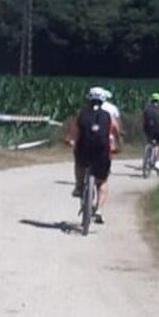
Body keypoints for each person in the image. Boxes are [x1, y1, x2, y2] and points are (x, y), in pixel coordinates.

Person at [65, 88, 117, 224]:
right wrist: (116, 144)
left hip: (84, 149)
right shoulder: (107, 114)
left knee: (79, 163)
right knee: (102, 182)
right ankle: (99, 209)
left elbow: (74, 129)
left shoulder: (82, 113)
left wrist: (70, 140)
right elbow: (115, 129)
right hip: (102, 151)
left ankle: (78, 186)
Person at [142, 93, 159, 173]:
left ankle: (147, 156)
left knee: (149, 142)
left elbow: (144, 120)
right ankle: (157, 162)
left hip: (148, 129)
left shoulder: (146, 108)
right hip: (157, 129)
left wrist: (144, 129)